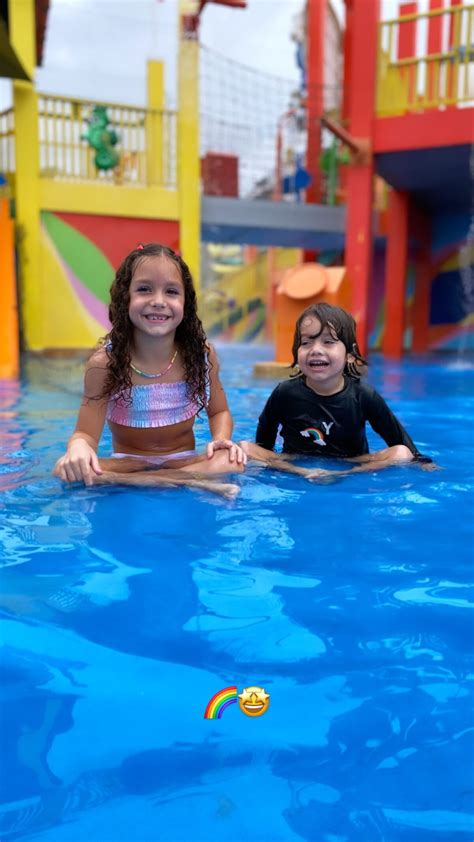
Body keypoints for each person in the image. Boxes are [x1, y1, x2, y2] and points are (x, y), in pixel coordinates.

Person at [53, 243, 246, 498]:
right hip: (129, 464)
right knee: (63, 468)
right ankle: (187, 481)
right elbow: (86, 433)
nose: (158, 301)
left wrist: (221, 439)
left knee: (233, 461)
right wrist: (79, 448)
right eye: (144, 289)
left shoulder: (200, 355)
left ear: (185, 303)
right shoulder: (105, 364)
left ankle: (148, 481)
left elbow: (220, 411)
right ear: (126, 298)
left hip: (184, 461)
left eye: (171, 292)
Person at [242, 302, 433, 479]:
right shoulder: (285, 393)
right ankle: (304, 472)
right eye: (306, 343)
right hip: (294, 462)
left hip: (352, 462)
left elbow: (398, 439)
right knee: (244, 448)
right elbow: (263, 442)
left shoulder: (363, 396)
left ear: (350, 355)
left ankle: (344, 474)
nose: (315, 349)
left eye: (328, 342)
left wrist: (423, 463)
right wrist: (265, 463)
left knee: (401, 453)